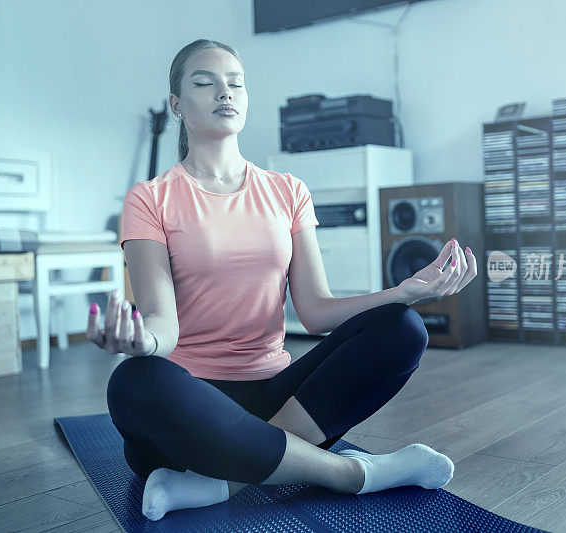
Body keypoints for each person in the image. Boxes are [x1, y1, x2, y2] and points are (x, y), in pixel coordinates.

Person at [87, 39, 477, 522]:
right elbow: (163, 324)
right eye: (204, 83)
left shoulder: (287, 191)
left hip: (282, 401)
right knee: (132, 381)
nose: (223, 93)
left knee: (401, 327)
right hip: (190, 409)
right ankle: (352, 474)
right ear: (177, 106)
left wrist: (403, 293)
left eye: (235, 84)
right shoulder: (150, 198)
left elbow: (315, 311)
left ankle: (224, 482)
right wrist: (142, 340)